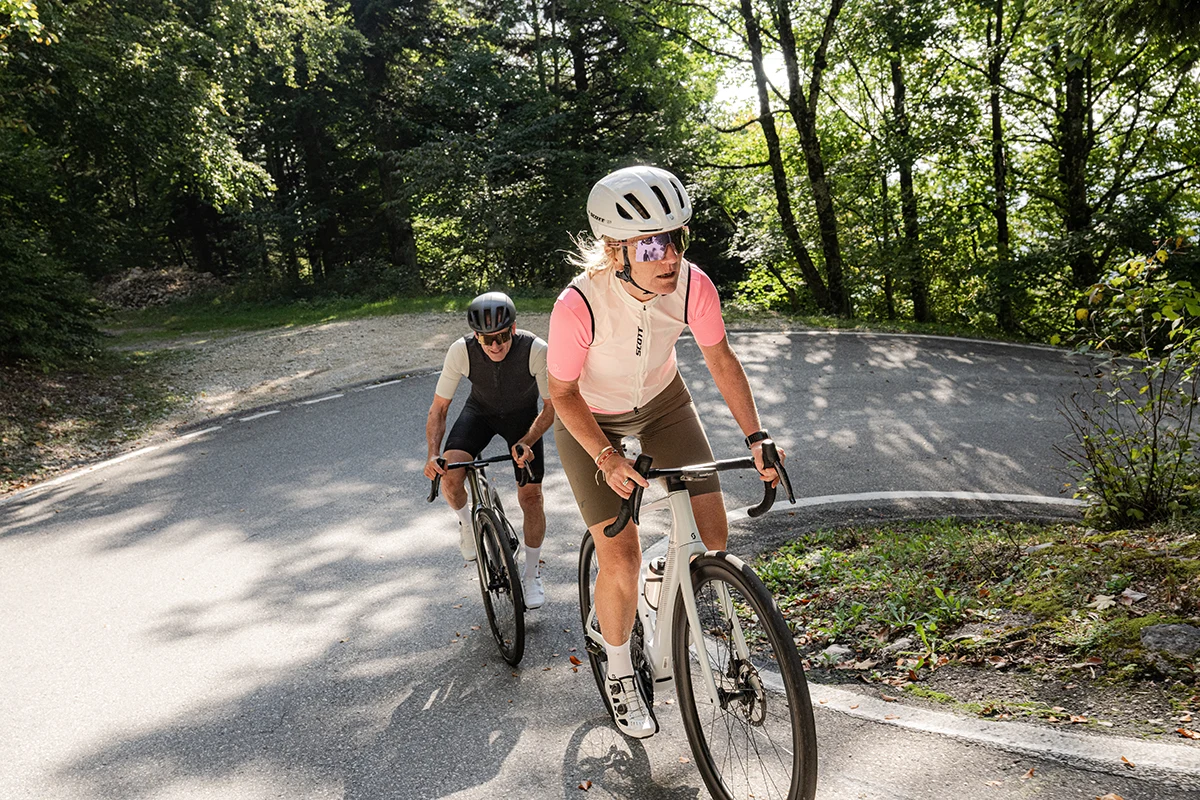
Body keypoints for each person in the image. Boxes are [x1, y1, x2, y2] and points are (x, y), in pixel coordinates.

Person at [548, 165, 782, 738]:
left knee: (716, 536)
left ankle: (719, 626)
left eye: (674, 238)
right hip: (591, 420)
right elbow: (561, 393)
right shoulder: (579, 304)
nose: (668, 256)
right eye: (651, 244)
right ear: (616, 250)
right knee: (621, 558)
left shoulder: (693, 286)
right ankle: (623, 668)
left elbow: (721, 361)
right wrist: (606, 457)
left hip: (664, 403)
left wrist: (756, 437)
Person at [424, 292, 556, 609]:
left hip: (522, 421)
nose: (495, 346)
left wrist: (528, 439)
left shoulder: (536, 349)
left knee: (532, 497)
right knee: (451, 476)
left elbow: (552, 407)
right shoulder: (461, 351)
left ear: (513, 329)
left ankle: (530, 574)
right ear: (476, 336)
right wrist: (433, 453)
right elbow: (439, 409)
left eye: (501, 337)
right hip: (479, 414)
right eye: (487, 339)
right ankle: (467, 525)